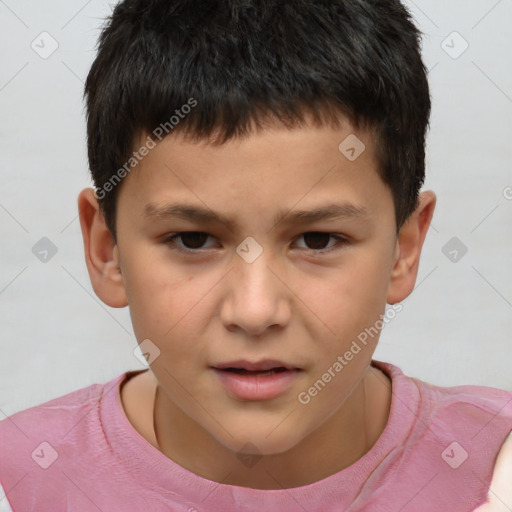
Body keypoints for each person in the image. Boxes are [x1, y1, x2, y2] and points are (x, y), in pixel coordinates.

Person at [1, 0, 511, 510]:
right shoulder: (18, 482)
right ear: (106, 249)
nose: (255, 311)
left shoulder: (495, 469)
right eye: (193, 240)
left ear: (405, 249)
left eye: (317, 240)